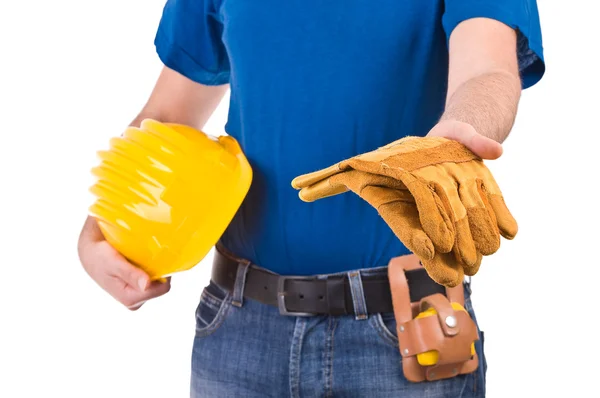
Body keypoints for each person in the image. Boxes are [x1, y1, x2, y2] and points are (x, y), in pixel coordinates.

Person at [77, 0, 545, 396]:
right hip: (239, 332)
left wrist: (457, 136)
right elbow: (166, 118)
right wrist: (100, 231)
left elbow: (488, 70)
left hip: (409, 331)